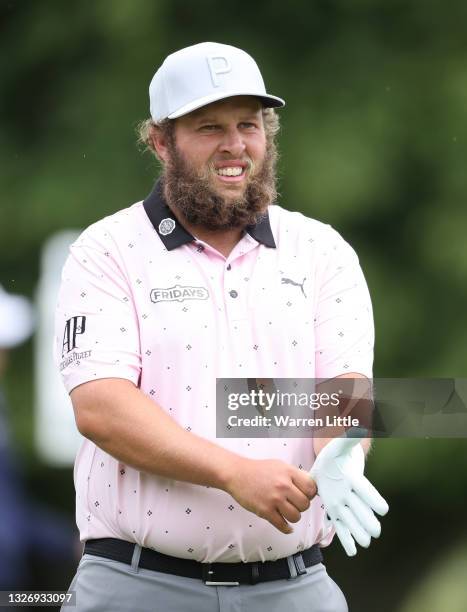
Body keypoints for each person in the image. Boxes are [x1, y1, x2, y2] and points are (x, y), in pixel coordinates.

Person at [54, 42, 388, 612]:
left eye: (249, 125)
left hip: (294, 586)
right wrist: (235, 473)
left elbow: (343, 392)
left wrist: (342, 454)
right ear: (161, 141)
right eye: (209, 128)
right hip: (138, 585)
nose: (235, 146)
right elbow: (101, 409)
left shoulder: (322, 250)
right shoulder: (105, 250)